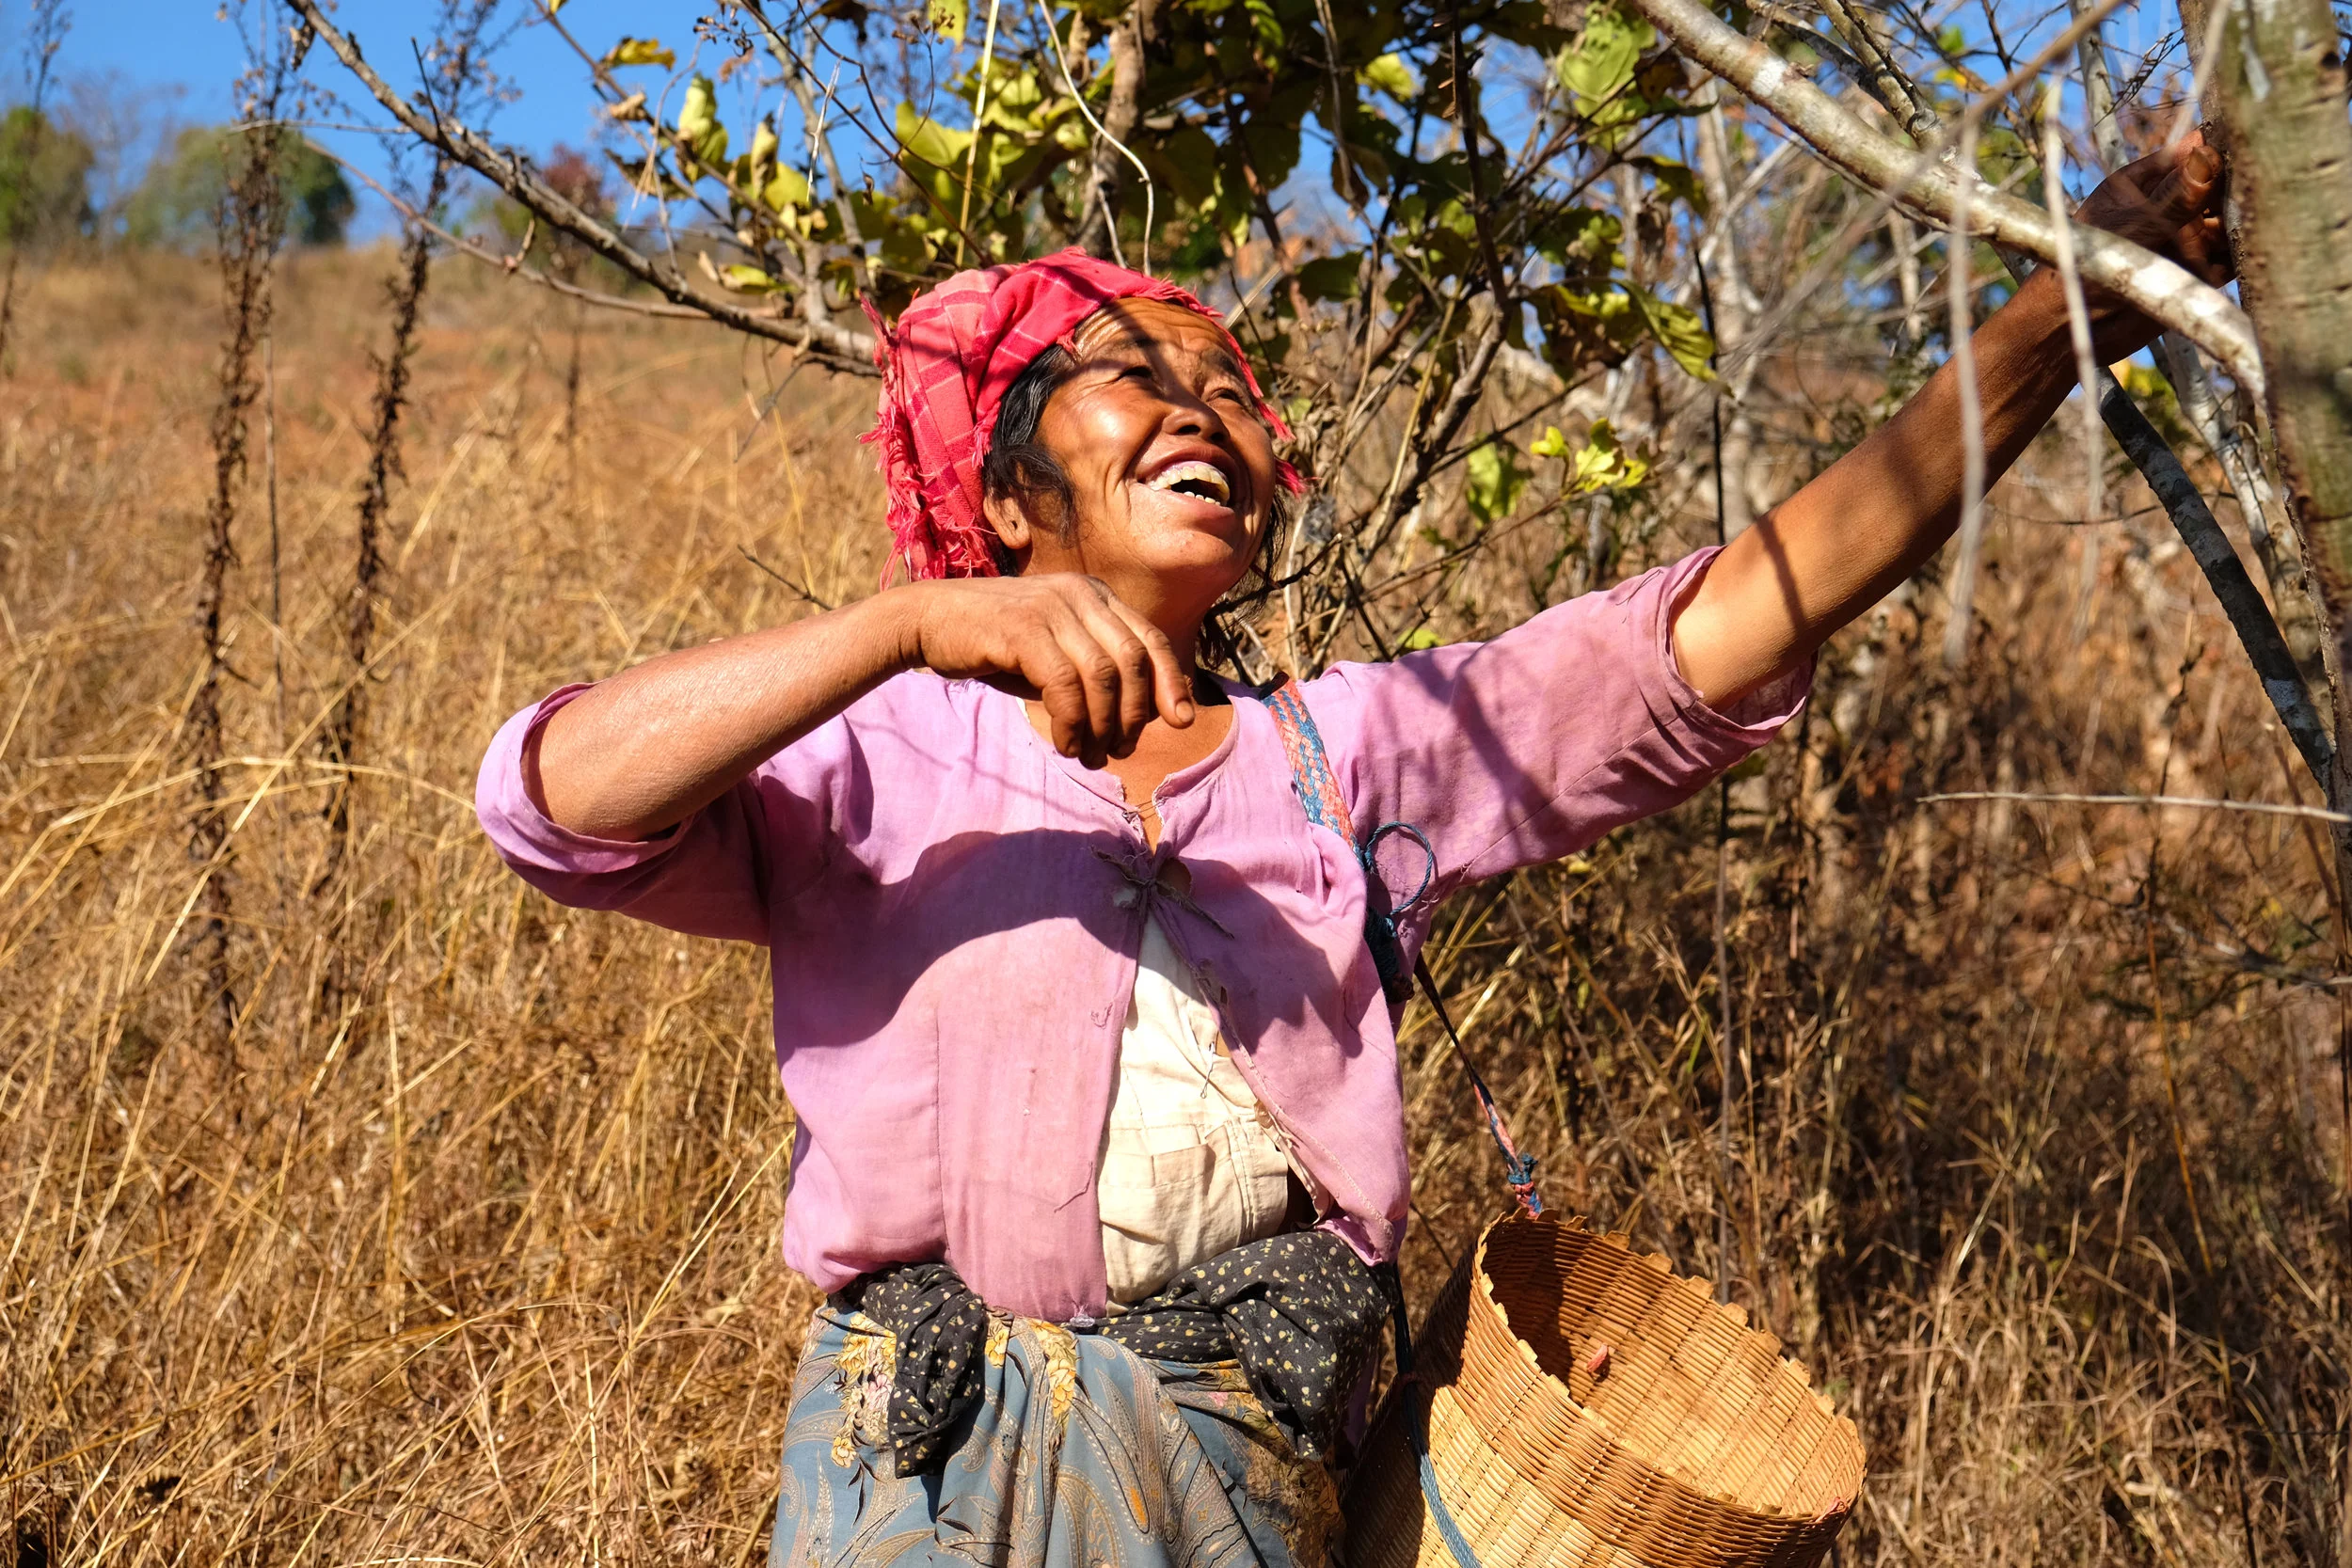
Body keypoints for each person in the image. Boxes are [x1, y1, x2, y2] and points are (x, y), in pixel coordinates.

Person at [476, 134, 2232, 1568]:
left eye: (1229, 393)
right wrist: (903, 630)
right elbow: (553, 793)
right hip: (915, 1480)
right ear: (1008, 504)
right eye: (1123, 376)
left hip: (1244, 1476)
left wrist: (2052, 320)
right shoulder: (878, 743)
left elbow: (1731, 617)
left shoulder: (1356, 753)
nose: (1196, 408)